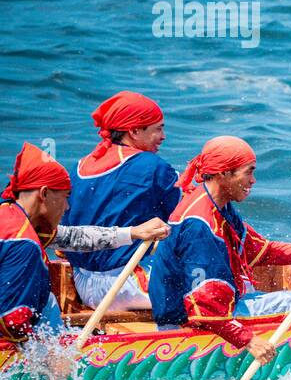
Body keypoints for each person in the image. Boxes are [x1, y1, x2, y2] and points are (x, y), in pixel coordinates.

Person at [147, 136, 291, 365]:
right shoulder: (201, 225)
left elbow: (263, 251)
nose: (254, 180)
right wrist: (249, 341)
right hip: (187, 321)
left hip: (205, 311)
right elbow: (205, 309)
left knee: (280, 298)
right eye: (249, 172)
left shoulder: (217, 206)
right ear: (224, 173)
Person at [1, 143, 169, 343]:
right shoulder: (23, 242)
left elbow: (73, 238)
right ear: (44, 194)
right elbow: (13, 322)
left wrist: (133, 232)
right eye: (65, 198)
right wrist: (54, 357)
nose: (67, 207)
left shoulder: (11, 214)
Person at [62, 91, 181, 309]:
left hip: (82, 283)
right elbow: (186, 218)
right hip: (127, 285)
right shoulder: (153, 166)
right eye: (158, 128)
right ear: (134, 131)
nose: (163, 136)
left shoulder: (78, 167)